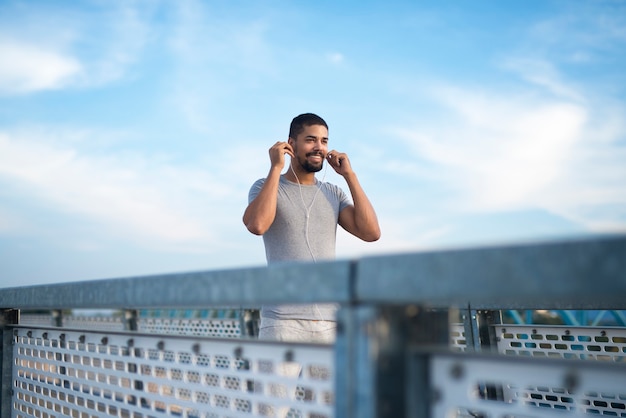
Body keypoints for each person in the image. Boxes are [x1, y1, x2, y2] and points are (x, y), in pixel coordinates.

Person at [243, 113, 381, 344]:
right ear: (291, 143)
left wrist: (350, 175)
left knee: (332, 383)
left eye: (324, 141)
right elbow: (257, 224)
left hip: (330, 322)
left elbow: (371, 233)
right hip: (281, 321)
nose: (319, 147)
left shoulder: (333, 193)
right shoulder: (266, 187)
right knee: (272, 384)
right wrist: (276, 168)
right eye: (310, 139)